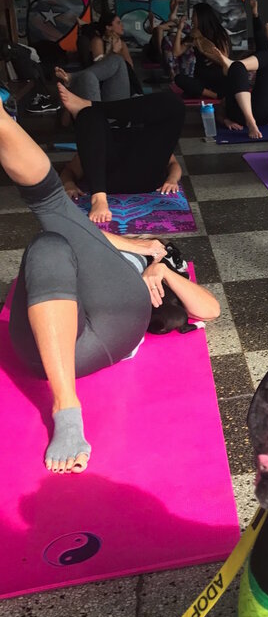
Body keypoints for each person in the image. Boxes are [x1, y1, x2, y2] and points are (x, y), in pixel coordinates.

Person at [0, 98, 220, 475]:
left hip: (109, 327)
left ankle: (66, 408)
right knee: (47, 246)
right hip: (39, 349)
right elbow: (93, 238)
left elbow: (211, 310)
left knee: (50, 214)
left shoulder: (158, 258)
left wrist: (161, 269)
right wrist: (133, 243)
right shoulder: (111, 244)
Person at [56, 86, 185, 225]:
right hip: (107, 182)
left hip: (146, 177)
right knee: (87, 114)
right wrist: (69, 185)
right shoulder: (97, 139)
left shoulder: (145, 135)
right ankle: (98, 199)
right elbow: (69, 170)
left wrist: (172, 180)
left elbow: (173, 164)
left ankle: (91, 105)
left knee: (173, 103)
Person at [194, 0, 268, 140]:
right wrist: (225, 120)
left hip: (261, 111)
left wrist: (255, 14)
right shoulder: (231, 81)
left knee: (262, 58)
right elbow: (218, 110)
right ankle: (250, 120)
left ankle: (234, 64)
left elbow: (263, 44)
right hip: (246, 115)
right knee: (243, 66)